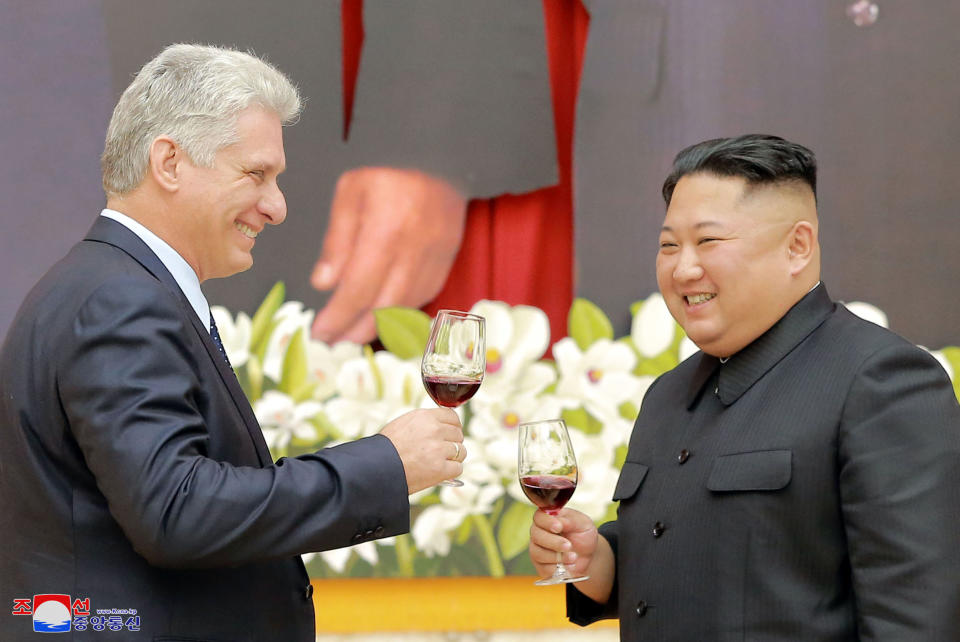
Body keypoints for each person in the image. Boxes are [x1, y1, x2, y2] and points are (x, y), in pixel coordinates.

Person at [0, 44, 466, 641]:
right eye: (256, 173)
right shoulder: (121, 300)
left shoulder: (107, 284)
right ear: (168, 162)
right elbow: (177, 511)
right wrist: (386, 466)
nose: (277, 206)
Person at [528, 134, 960, 639]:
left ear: (797, 246)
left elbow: (918, 618)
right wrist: (600, 563)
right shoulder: (667, 395)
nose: (684, 268)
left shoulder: (880, 381)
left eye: (708, 241)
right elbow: (715, 577)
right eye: (669, 245)